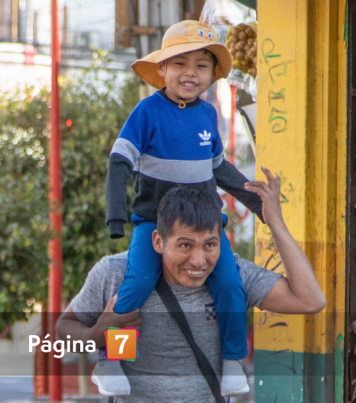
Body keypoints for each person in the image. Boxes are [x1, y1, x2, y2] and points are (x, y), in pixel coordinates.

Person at [58, 167, 326, 402]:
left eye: (209, 245)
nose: (199, 262)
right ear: (158, 241)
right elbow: (62, 331)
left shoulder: (232, 277)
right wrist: (94, 335)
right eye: (185, 245)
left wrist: (275, 222)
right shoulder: (115, 275)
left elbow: (310, 300)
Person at [103, 11, 263, 397]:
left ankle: (230, 362)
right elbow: (119, 162)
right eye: (180, 64)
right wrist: (116, 217)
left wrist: (260, 204)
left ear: (212, 75)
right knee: (136, 283)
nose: (190, 73)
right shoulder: (145, 113)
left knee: (229, 284)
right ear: (162, 68)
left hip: (205, 228)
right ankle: (109, 360)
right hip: (153, 226)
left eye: (201, 65)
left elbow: (219, 169)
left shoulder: (208, 114)